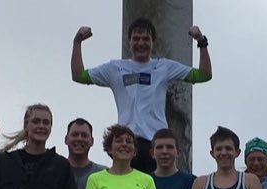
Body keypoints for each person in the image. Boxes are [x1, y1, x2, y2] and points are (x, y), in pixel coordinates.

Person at [71, 18, 212, 173]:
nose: (141, 43)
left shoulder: (163, 66)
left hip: (155, 144)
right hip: (127, 144)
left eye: (146, 39)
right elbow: (79, 76)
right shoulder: (115, 68)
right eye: (136, 39)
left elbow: (203, 75)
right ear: (129, 42)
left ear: (153, 42)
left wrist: (201, 42)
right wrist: (77, 42)